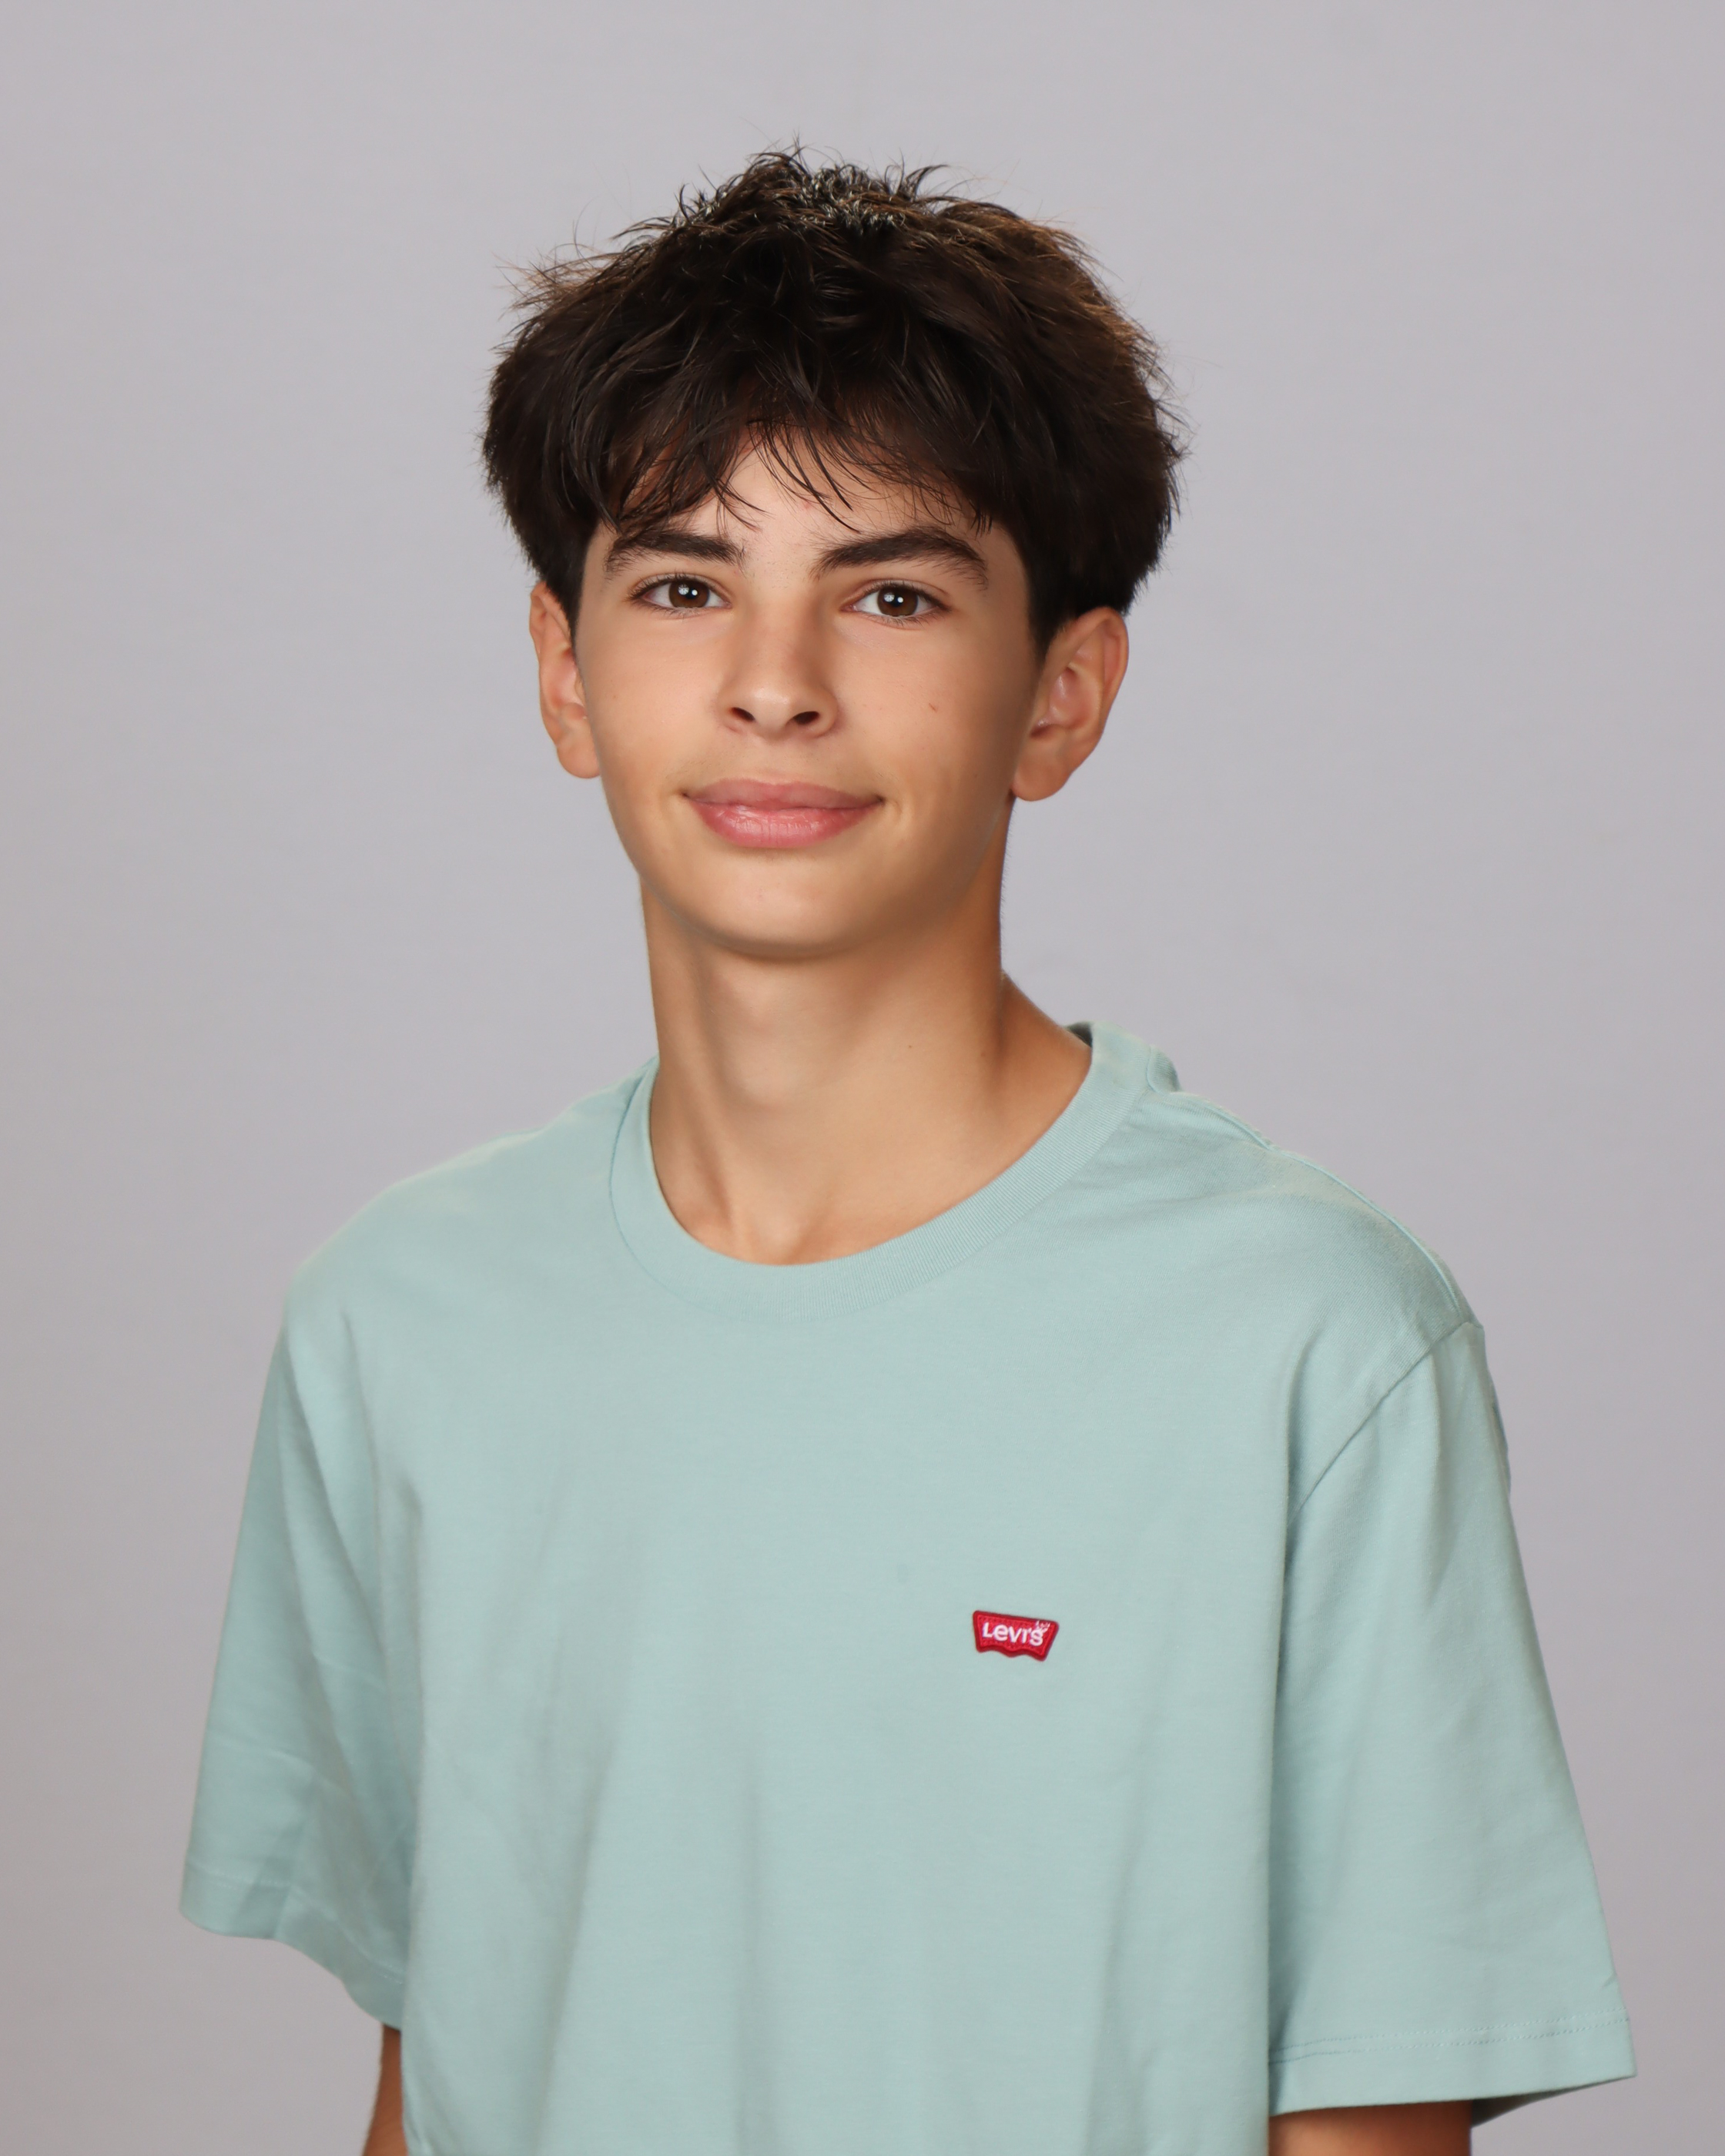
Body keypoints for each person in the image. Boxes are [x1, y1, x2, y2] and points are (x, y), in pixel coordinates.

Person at [180, 153, 1633, 2156]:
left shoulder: (1310, 1341)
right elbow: (439, 2068)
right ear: (563, 671)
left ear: (1062, 694)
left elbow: (1375, 2121)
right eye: (684, 586)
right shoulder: (399, 1320)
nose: (776, 685)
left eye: (890, 594)